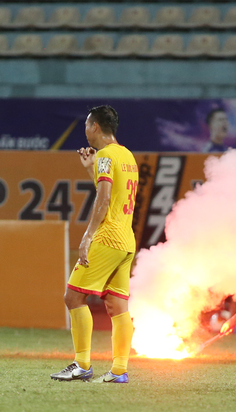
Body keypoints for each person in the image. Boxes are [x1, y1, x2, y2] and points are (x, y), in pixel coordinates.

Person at [51, 105, 138, 383]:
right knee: (117, 305)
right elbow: (110, 195)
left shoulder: (104, 156)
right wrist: (91, 170)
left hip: (108, 238)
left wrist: (88, 236)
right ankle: (119, 371)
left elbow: (102, 201)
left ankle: (82, 364)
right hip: (126, 240)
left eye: (87, 125)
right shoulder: (126, 155)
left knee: (73, 296)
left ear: (96, 127)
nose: (85, 131)